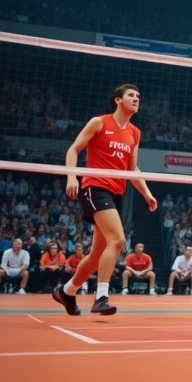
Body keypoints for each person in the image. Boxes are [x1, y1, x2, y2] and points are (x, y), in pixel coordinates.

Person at [53, 84, 158, 316]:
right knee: (118, 240)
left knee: (96, 255)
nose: (136, 99)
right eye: (131, 95)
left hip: (116, 193)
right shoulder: (99, 122)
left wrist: (147, 193)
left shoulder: (135, 133)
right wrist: (72, 176)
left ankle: (67, 291)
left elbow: (132, 169)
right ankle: (101, 297)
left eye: (138, 96)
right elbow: (73, 149)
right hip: (94, 188)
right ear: (118, 100)